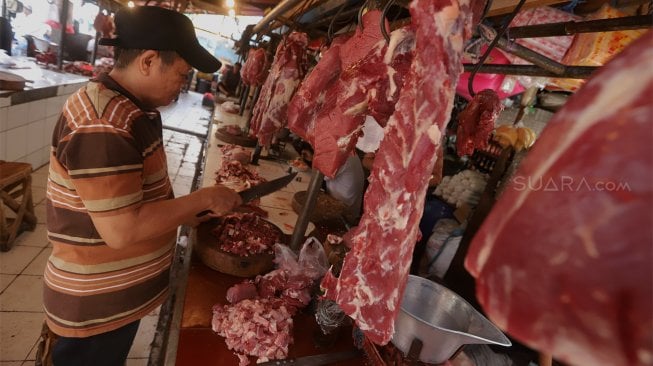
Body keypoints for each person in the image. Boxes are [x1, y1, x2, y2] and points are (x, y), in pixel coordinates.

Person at [41, 7, 241, 366]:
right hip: (95, 307)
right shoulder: (103, 123)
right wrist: (203, 197)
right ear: (148, 61)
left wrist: (186, 213)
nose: (184, 84)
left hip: (112, 299)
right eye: (181, 74)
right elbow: (122, 228)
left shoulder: (129, 109)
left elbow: (133, 198)